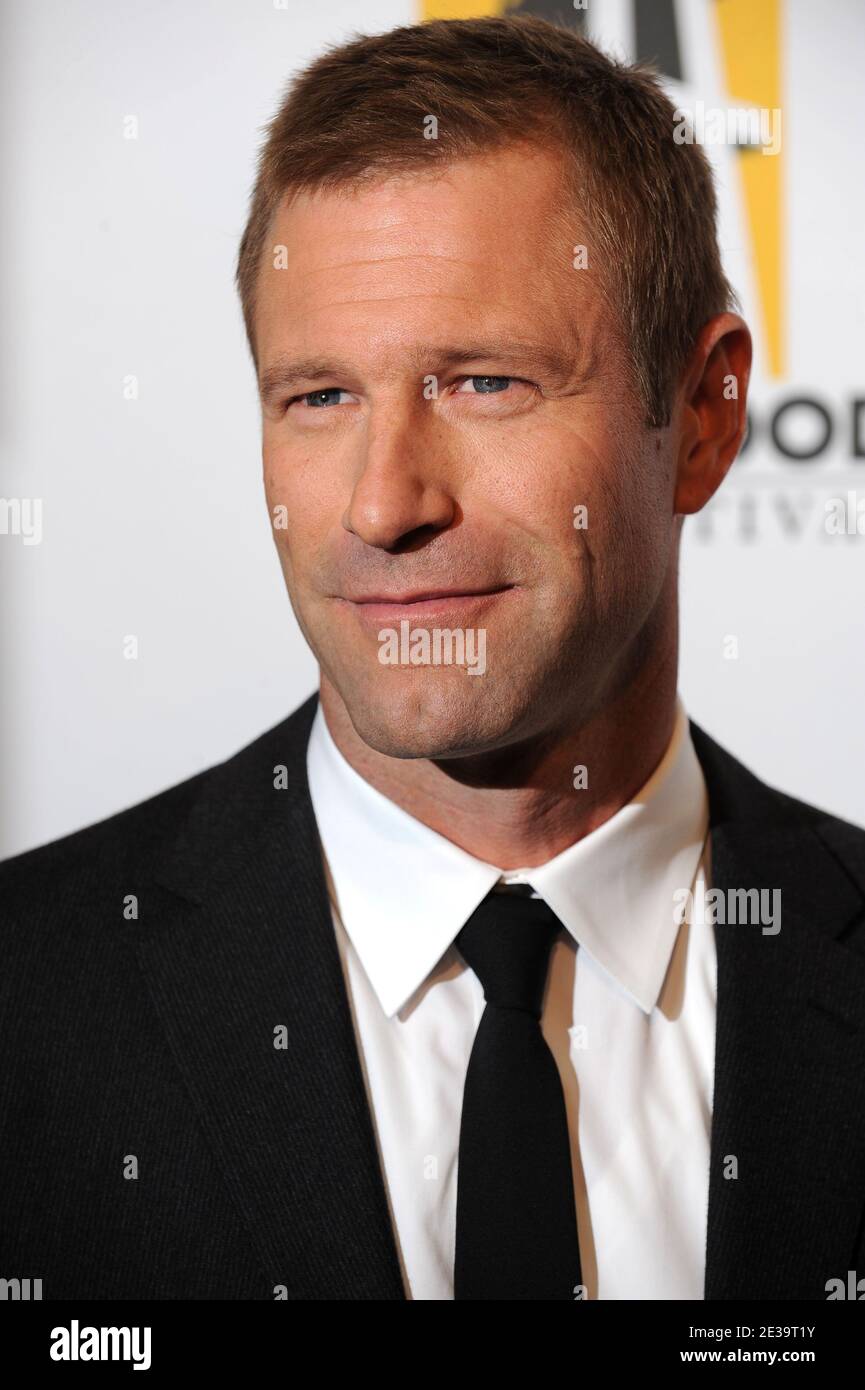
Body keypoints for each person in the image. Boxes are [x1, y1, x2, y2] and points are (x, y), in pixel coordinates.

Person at [2, 15, 864, 1302]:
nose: (381, 504)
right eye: (320, 397)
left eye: (482, 384)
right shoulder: (31, 998)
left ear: (700, 418)